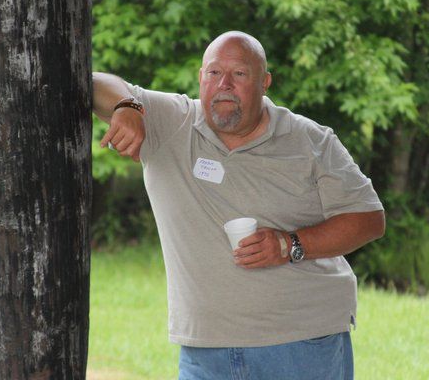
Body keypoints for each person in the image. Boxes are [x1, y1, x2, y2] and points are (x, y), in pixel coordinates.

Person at [92, 31, 385, 379]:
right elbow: (94, 82)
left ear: (265, 82)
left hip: (302, 344)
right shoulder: (172, 123)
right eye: (214, 73)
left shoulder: (309, 140)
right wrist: (127, 107)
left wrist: (289, 245)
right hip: (205, 350)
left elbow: (369, 218)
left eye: (240, 74)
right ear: (201, 78)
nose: (224, 84)